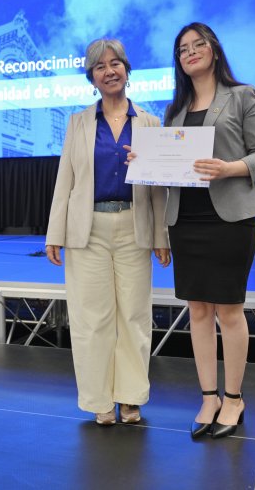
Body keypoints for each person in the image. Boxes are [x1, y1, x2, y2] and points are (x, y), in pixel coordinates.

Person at [45, 38, 170, 426]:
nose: (109, 71)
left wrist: (161, 236)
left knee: (134, 316)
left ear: (127, 71)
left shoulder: (149, 122)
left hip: (135, 226)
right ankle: (99, 399)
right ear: (91, 77)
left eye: (115, 63)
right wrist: (54, 233)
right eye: (100, 66)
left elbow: (157, 187)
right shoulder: (78, 122)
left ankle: (130, 398)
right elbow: (65, 180)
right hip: (88, 229)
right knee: (92, 319)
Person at [165, 23, 255, 439]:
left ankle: (234, 398)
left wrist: (230, 168)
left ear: (213, 50)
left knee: (228, 311)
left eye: (198, 45)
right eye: (183, 49)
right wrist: (145, 161)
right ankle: (208, 397)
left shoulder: (243, 96)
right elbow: (170, 164)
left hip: (229, 219)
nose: (190, 52)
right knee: (197, 311)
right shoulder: (175, 111)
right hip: (185, 220)